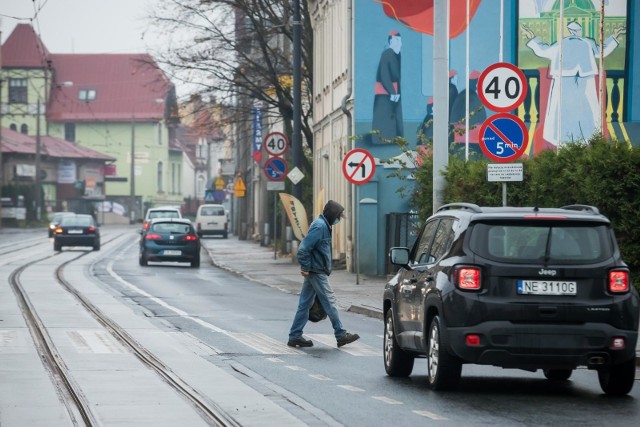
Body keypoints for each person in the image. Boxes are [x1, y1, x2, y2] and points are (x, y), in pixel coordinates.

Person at [521, 21, 625, 146]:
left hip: (566, 77)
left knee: (564, 108)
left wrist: (532, 38)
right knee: (584, 108)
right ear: (578, 31)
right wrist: (614, 37)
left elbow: (543, 51)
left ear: (569, 30)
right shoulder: (588, 42)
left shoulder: (561, 43)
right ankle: (584, 137)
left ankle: (565, 139)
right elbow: (601, 51)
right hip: (583, 77)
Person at [287, 200, 360, 348]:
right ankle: (340, 334)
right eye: (339, 216)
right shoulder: (320, 227)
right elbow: (304, 248)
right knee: (330, 302)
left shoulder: (324, 225)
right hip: (316, 271)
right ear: (332, 215)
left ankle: (295, 336)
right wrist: (306, 267)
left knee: (305, 304)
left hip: (315, 270)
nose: (339, 219)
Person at [372, 30, 403, 143]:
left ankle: (394, 138)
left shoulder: (397, 55)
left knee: (393, 117)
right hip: (385, 94)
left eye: (400, 41)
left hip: (393, 92)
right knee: (385, 117)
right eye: (397, 40)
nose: (400, 43)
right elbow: (384, 75)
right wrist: (393, 92)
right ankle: (383, 139)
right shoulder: (387, 54)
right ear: (391, 41)